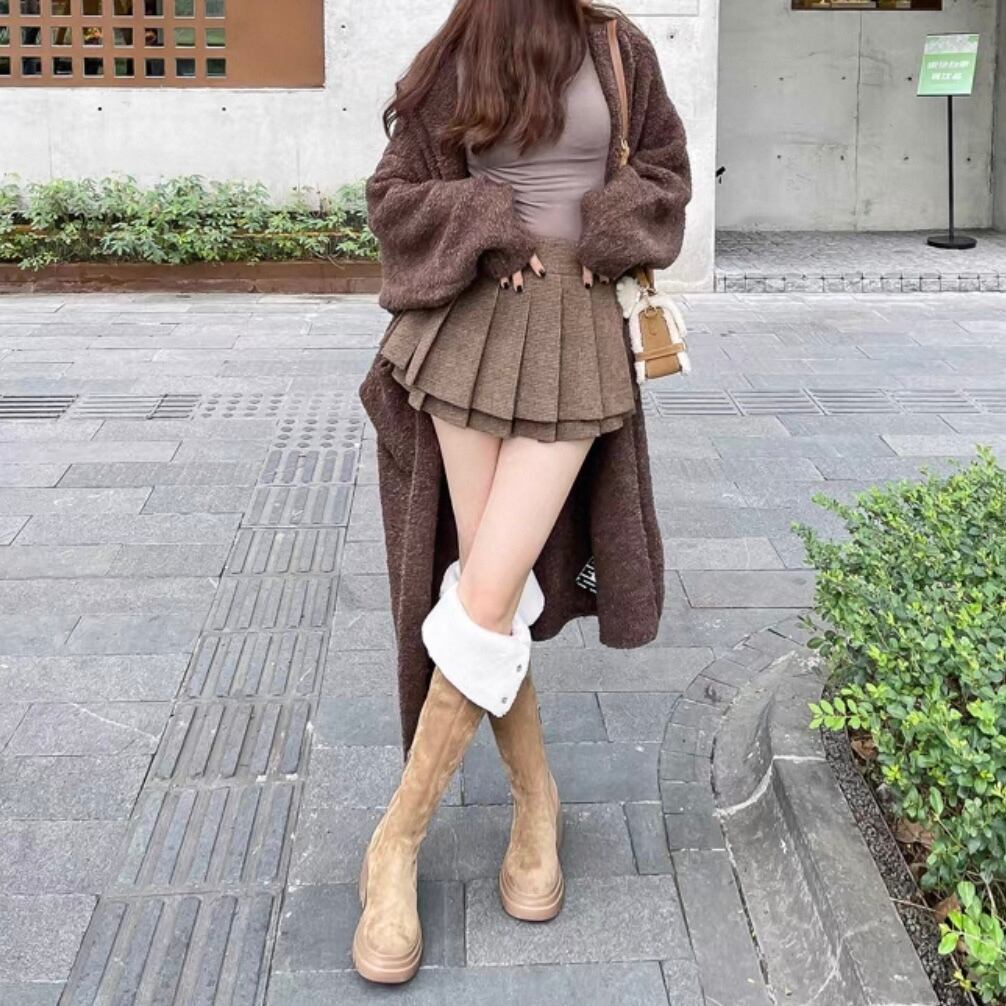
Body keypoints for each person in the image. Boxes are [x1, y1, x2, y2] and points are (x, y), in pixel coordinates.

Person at [353, 0, 692, 984]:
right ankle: (536, 804)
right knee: (487, 594)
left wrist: (606, 227)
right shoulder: (464, 46)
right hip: (466, 331)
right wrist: (488, 222)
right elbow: (394, 192)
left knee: (489, 592)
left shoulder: (617, 44)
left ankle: (395, 840)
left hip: (577, 340)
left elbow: (666, 171)